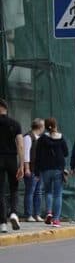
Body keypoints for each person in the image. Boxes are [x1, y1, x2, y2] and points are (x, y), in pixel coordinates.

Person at [33, 117, 68, 227]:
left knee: (48, 192)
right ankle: (56, 220)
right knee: (58, 195)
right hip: (58, 168)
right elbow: (66, 153)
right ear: (55, 125)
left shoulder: (42, 139)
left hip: (45, 169)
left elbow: (37, 156)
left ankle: (48, 212)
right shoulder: (61, 138)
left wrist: (37, 172)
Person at [0, 98, 23, 233]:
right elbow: (20, 144)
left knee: (0, 192)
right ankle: (14, 213)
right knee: (14, 188)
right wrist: (21, 165)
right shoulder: (15, 124)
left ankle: (2, 223)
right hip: (11, 160)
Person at [23, 118, 44, 222]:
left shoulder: (39, 138)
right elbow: (26, 154)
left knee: (38, 192)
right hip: (31, 169)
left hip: (38, 169)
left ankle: (37, 214)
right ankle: (28, 214)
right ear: (40, 127)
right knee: (30, 192)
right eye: (43, 126)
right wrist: (26, 168)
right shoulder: (28, 137)